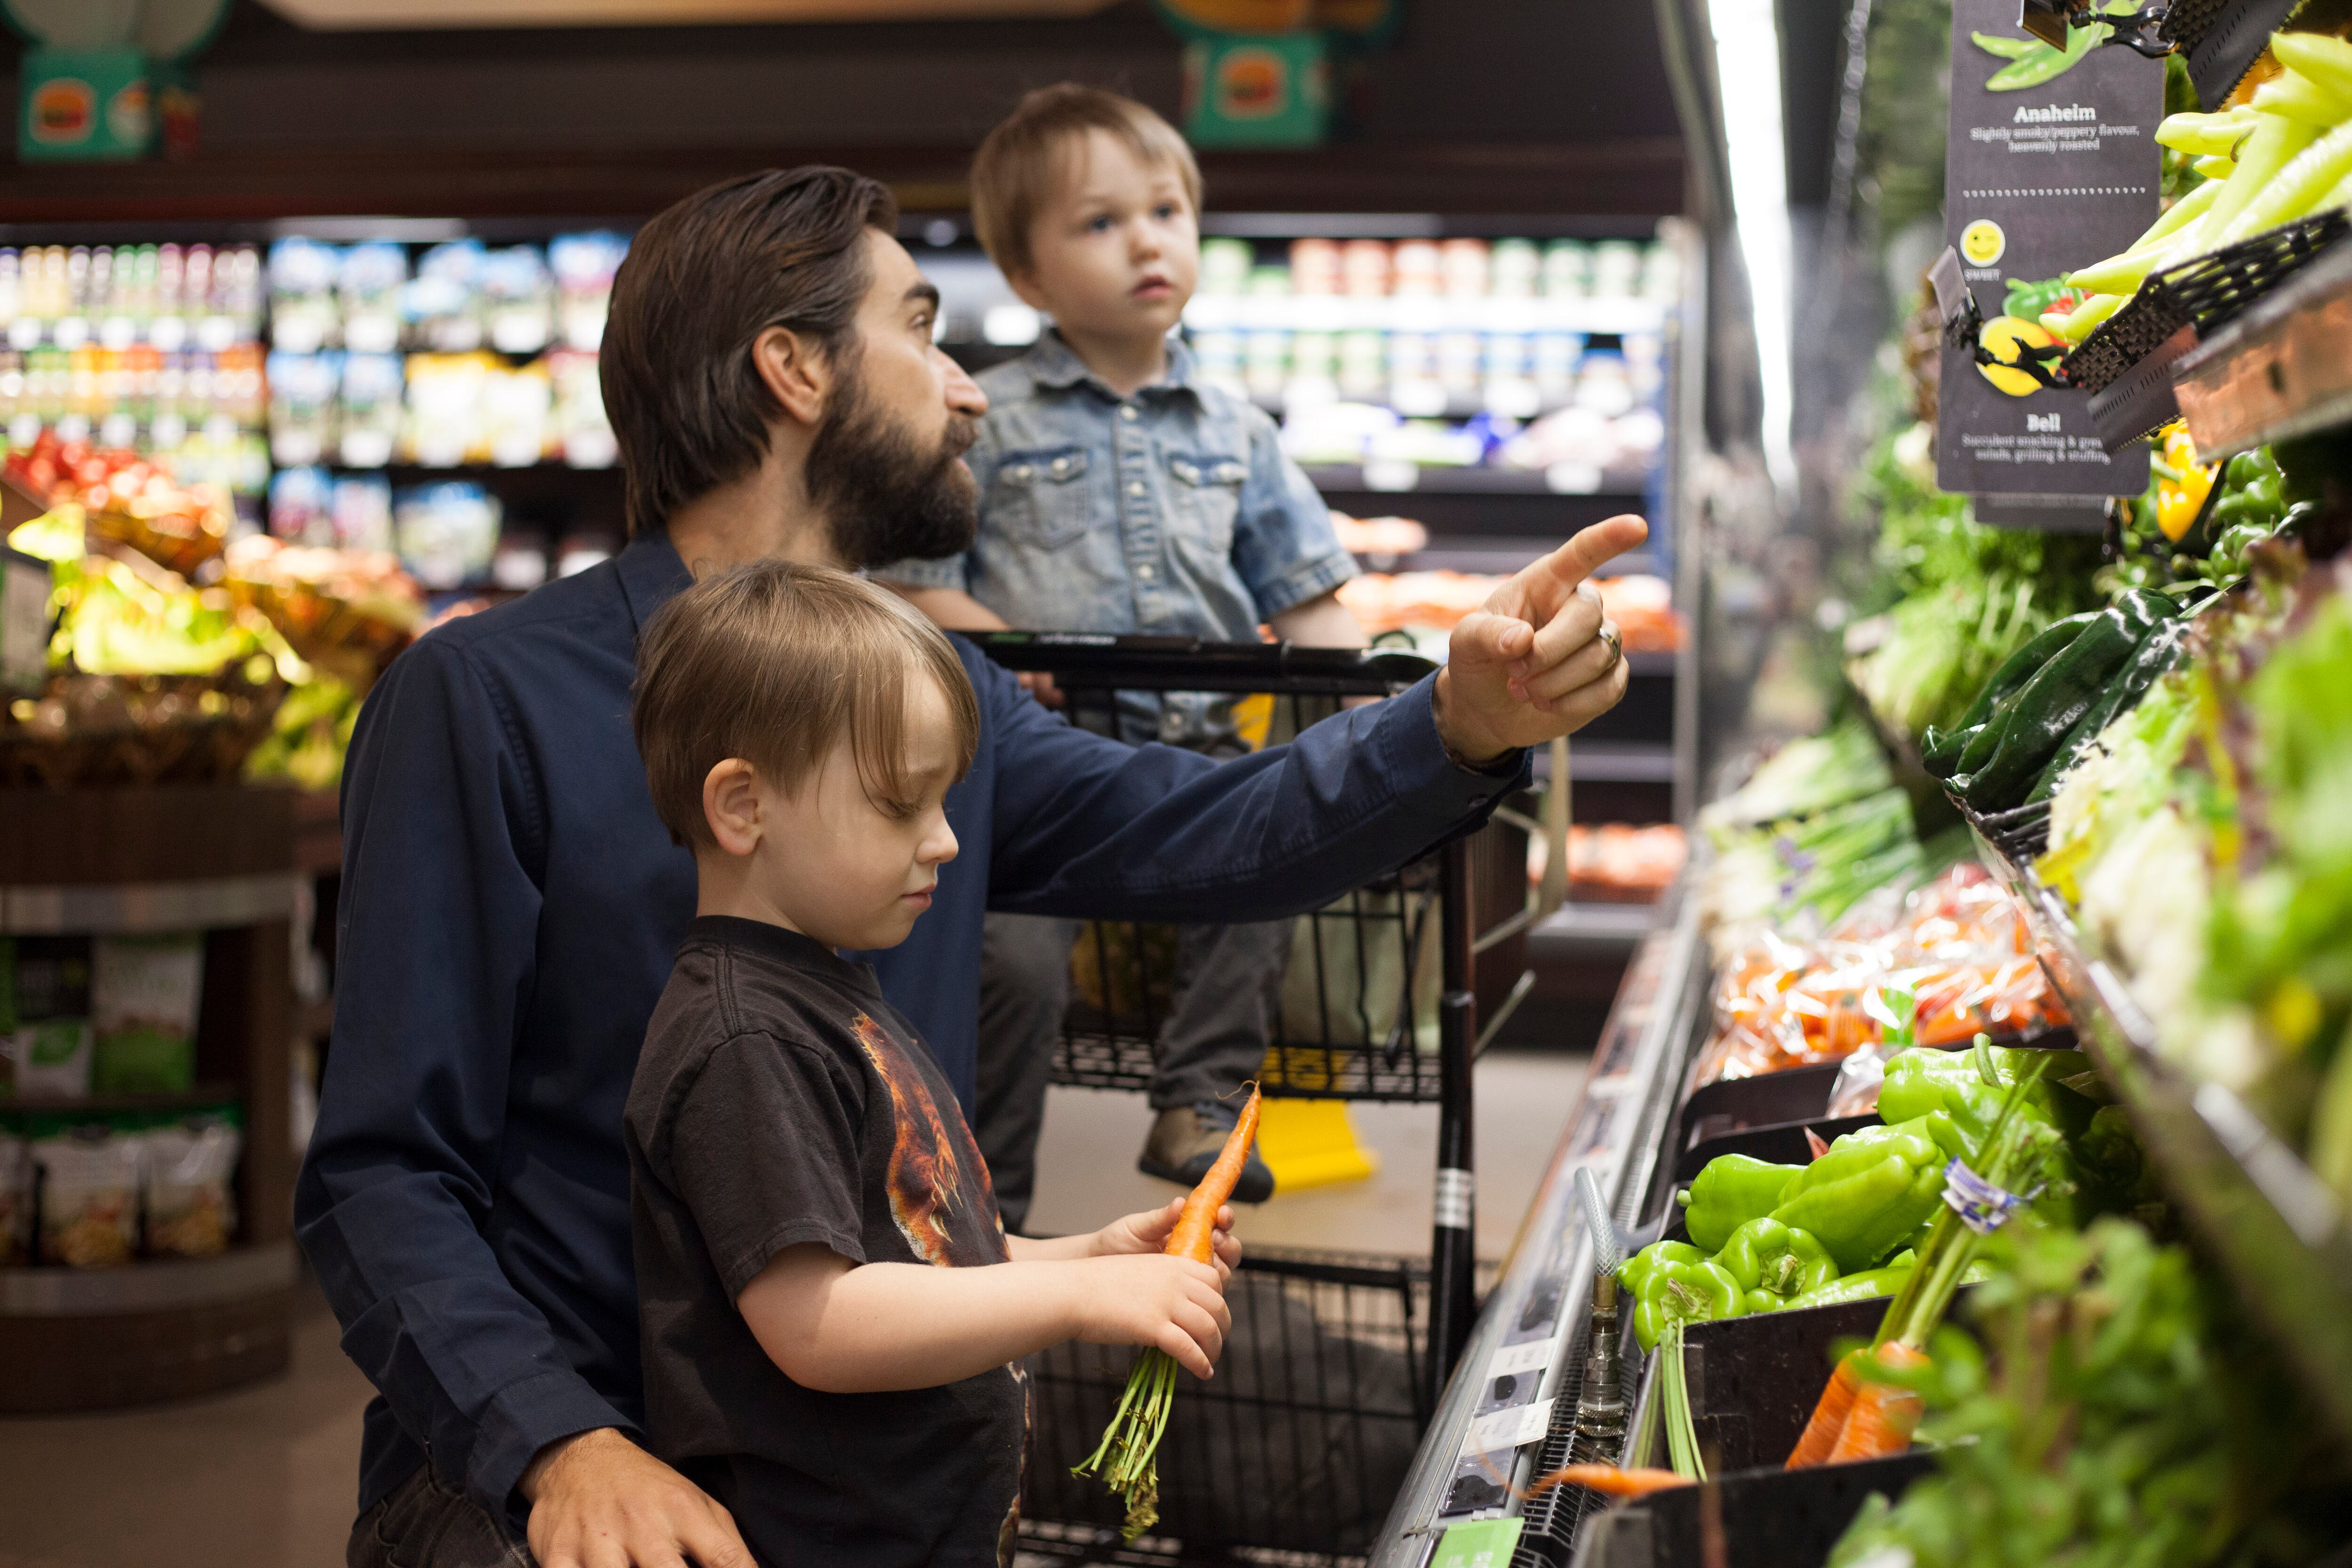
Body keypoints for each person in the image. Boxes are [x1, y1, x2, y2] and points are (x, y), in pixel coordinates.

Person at [302, 162, 1639, 1568]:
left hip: (866, 1470)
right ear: (793, 368)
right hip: (563, 1478)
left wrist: (1455, 725)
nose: (974, 389)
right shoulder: (484, 702)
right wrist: (560, 1446)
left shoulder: (938, 697)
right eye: (928, 332)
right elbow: (385, 1173)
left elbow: (1207, 830)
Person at [625, 559, 1239, 1566]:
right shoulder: (747, 1038)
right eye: (897, 804)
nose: (946, 842)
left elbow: (921, 1256)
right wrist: (1075, 1303)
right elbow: (818, 1318)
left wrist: (1090, 1257)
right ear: (742, 806)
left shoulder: (829, 991)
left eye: (945, 801)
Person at [876, 85, 1364, 1222]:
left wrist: (1375, 700)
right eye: (1100, 223)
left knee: (1266, 865)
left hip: (1197, 752)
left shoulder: (1238, 430)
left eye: (1166, 212)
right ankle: (983, 1194)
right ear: (1031, 276)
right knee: (1013, 963)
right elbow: (912, 584)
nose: (1146, 240)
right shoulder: (984, 418)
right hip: (1033, 767)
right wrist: (1001, 645)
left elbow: (1314, 598)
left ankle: (1197, 1098)